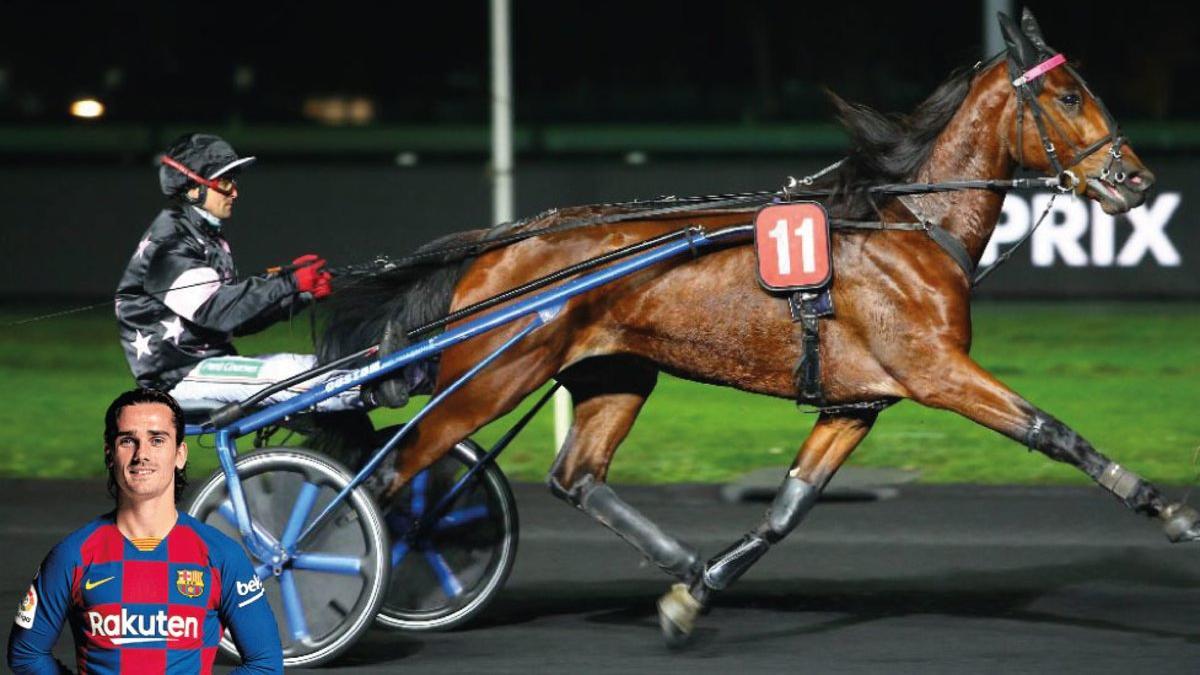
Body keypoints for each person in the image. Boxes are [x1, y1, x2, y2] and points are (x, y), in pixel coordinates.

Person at [7, 388, 283, 673]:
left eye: (157, 440)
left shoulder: (222, 555)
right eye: (128, 441)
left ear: (180, 454)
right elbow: (27, 654)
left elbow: (265, 664)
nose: (142, 455)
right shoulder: (72, 555)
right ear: (110, 454)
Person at [114, 132, 363, 411]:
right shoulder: (170, 243)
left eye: (233, 181)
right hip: (181, 376)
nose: (234, 191)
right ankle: (380, 388)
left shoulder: (205, 237)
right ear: (193, 188)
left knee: (317, 367)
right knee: (305, 373)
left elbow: (240, 321)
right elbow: (217, 311)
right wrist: (289, 282)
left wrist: (300, 295)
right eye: (224, 182)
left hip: (205, 366)